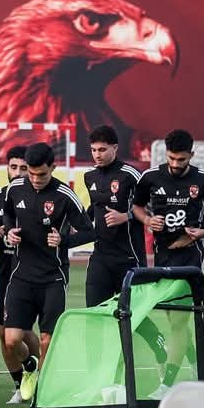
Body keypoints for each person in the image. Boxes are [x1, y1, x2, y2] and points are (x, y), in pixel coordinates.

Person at [0, 142, 95, 402]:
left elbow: (89, 231)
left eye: (41, 174)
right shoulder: (15, 189)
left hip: (53, 277)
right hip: (21, 275)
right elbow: (7, 214)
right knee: (11, 341)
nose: (35, 179)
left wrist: (64, 241)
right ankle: (30, 368)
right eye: (31, 174)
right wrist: (10, 231)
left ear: (53, 168)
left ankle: (43, 394)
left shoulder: (65, 195)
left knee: (46, 340)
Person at [131, 129, 204, 272]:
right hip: (162, 250)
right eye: (171, 158)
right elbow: (136, 206)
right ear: (166, 153)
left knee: (191, 294)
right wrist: (148, 220)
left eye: (181, 160)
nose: (175, 164)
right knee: (165, 294)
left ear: (191, 155)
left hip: (191, 251)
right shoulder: (150, 177)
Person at [0, 146, 31, 403]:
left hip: (33, 274)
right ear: (7, 169)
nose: (18, 173)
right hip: (4, 274)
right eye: (14, 167)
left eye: (24, 167)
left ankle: (38, 373)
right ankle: (20, 384)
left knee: (25, 333)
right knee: (3, 333)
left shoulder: (40, 198)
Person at [80, 124, 144, 306]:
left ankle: (154, 336)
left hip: (129, 257)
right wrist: (77, 226)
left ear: (115, 148)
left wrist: (126, 216)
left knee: (130, 316)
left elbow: (153, 208)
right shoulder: (90, 176)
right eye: (93, 150)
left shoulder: (131, 175)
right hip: (100, 256)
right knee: (95, 311)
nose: (97, 155)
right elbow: (95, 207)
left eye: (102, 149)